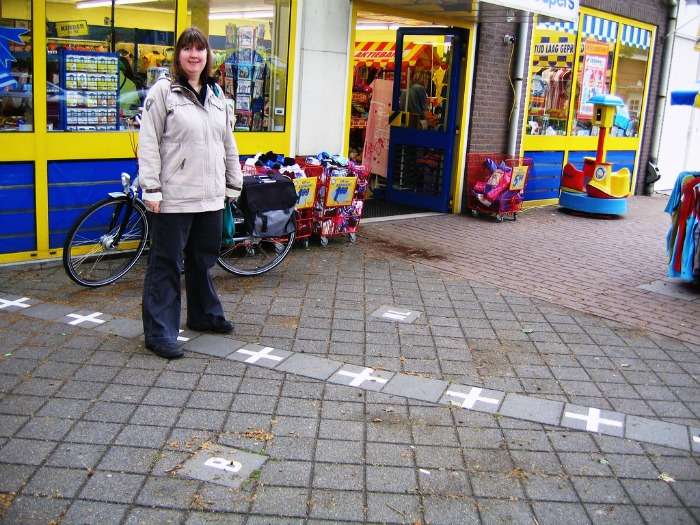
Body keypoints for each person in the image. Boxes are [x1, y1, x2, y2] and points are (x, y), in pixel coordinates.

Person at [138, 26, 243, 359]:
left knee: (202, 260)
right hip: (174, 196)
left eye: (200, 49)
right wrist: (151, 187)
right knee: (166, 264)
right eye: (188, 49)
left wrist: (233, 181)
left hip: (210, 197)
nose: (194, 55)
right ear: (178, 55)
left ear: (208, 56)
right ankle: (160, 332)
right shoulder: (164, 92)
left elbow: (228, 143)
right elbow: (149, 143)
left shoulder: (216, 95)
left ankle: (203, 315)